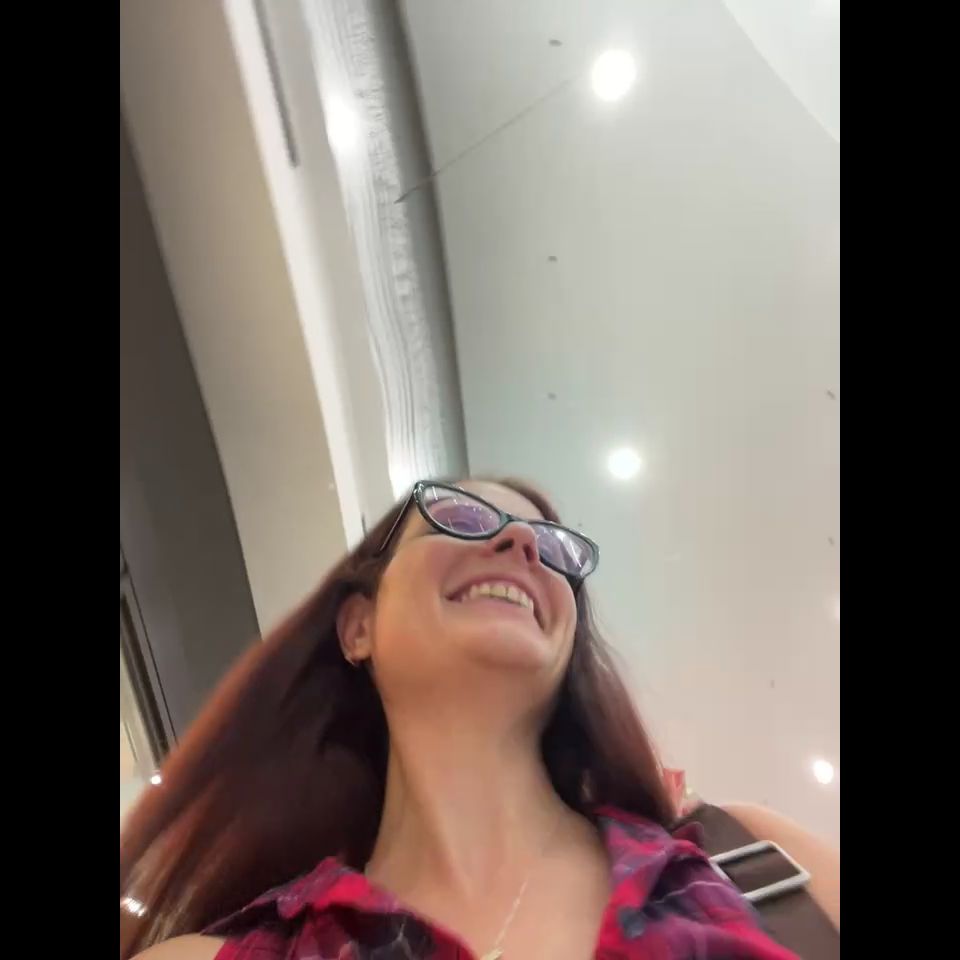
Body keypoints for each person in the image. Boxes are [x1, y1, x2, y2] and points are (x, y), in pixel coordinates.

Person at [122, 479, 837, 960]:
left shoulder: (762, 867)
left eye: (553, 548)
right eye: (462, 517)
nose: (523, 543)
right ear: (358, 627)